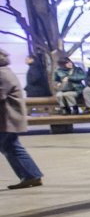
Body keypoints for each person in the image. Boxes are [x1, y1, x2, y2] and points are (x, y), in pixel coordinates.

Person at [0, 49, 44, 190]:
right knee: (11, 146)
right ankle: (31, 175)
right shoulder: (5, 71)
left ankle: (31, 175)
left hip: (8, 118)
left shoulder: (2, 73)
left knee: (10, 146)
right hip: (8, 118)